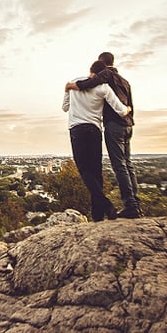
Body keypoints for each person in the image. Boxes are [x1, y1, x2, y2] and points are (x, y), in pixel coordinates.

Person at [65, 52, 141, 219]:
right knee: (126, 164)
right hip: (127, 125)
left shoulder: (105, 75)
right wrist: (129, 111)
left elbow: (89, 83)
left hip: (112, 125)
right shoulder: (124, 81)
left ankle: (127, 206)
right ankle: (123, 207)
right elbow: (127, 104)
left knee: (116, 165)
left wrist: (71, 86)